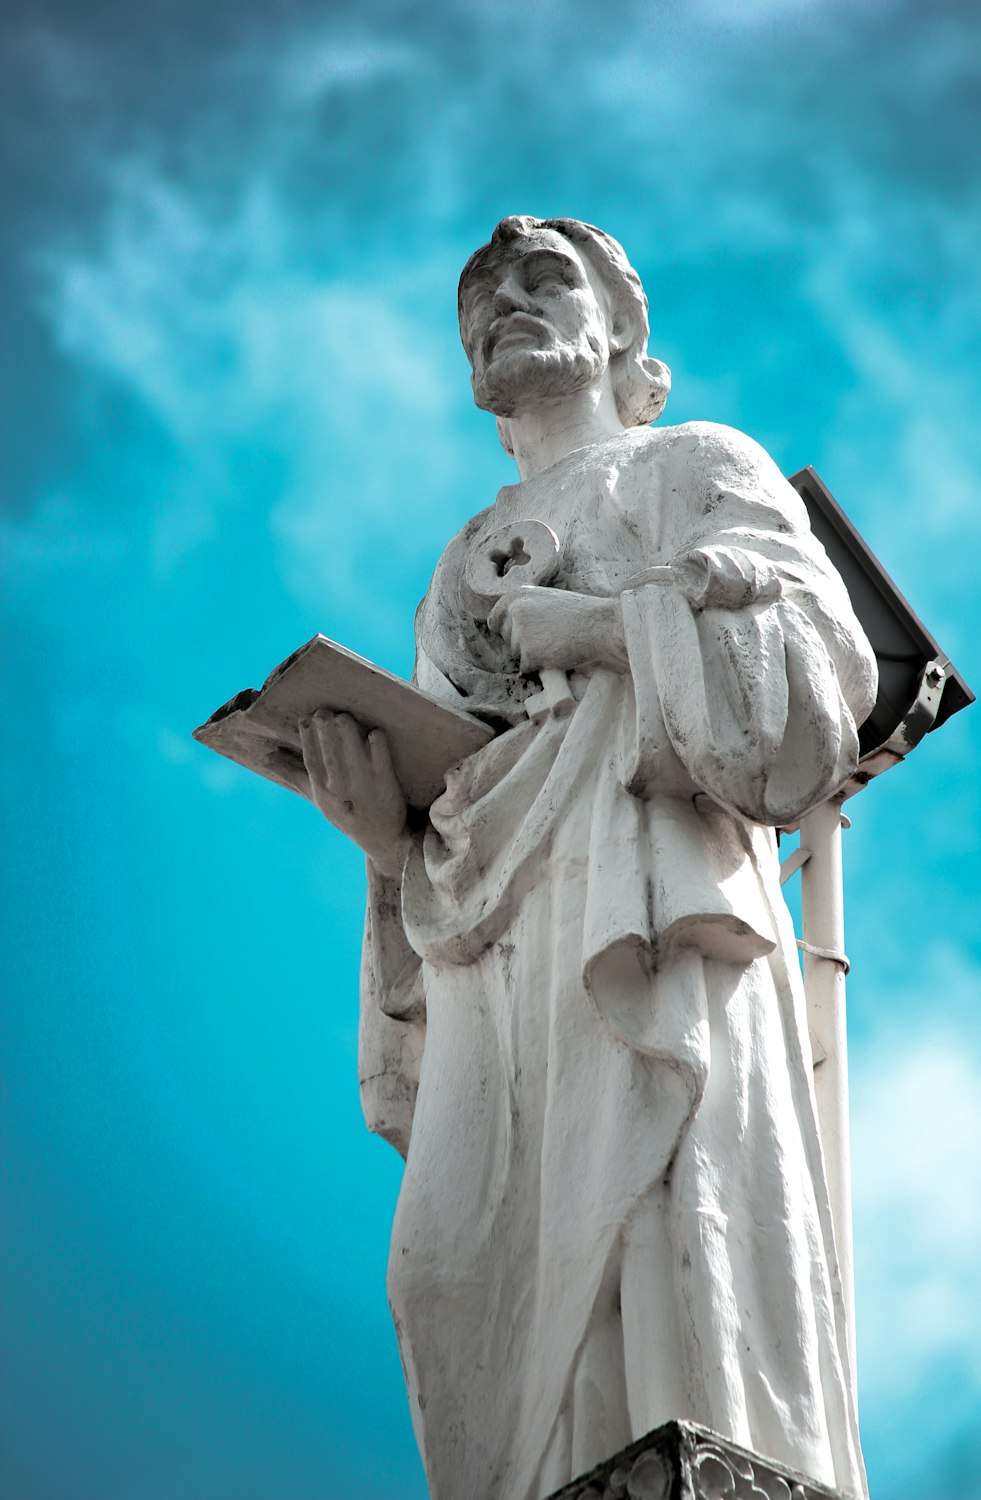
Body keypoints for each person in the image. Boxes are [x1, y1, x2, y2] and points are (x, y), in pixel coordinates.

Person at [298, 216, 875, 1500]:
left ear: (618, 328)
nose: (504, 302)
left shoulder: (695, 465)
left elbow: (806, 690)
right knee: (449, 1268)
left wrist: (606, 629)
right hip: (503, 972)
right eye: (477, 298)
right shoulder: (455, 570)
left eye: (541, 278)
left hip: (658, 901)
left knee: (664, 1220)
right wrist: (393, 845)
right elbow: (466, 807)